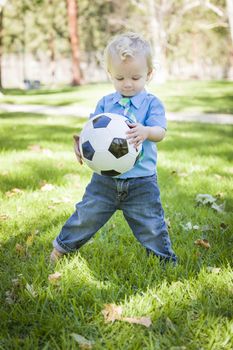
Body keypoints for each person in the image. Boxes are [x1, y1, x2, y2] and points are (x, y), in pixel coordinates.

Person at [50, 32, 177, 264]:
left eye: (135, 77)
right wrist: (81, 144)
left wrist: (146, 131)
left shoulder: (151, 104)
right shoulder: (106, 103)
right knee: (85, 216)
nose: (127, 84)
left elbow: (161, 132)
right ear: (110, 75)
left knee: (152, 225)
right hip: (104, 181)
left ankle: (165, 261)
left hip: (141, 182)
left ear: (149, 74)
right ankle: (61, 249)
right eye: (119, 78)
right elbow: (92, 131)